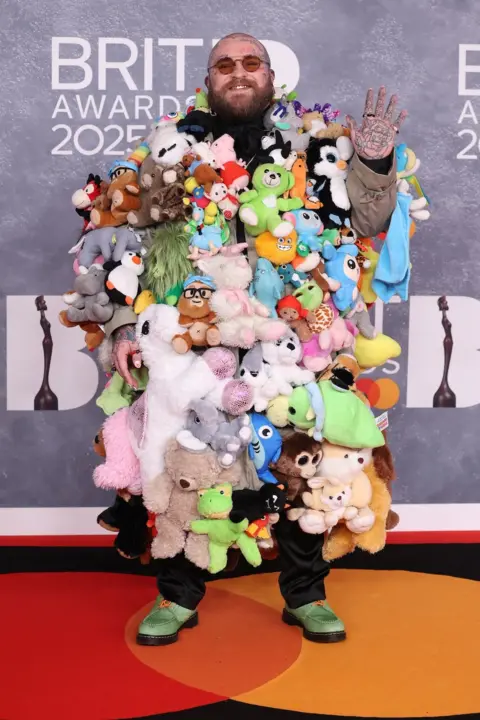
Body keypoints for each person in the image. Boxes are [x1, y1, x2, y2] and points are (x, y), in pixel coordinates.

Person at [102, 32, 407, 646]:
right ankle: (177, 596)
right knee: (188, 464)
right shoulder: (168, 153)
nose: (238, 73)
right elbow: (123, 244)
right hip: (192, 339)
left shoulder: (314, 146)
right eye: (224, 66)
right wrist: (120, 328)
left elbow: (368, 221)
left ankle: (306, 594)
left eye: (250, 63)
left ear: (271, 78)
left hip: (295, 335)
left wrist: (371, 165)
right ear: (209, 80)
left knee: (302, 466)